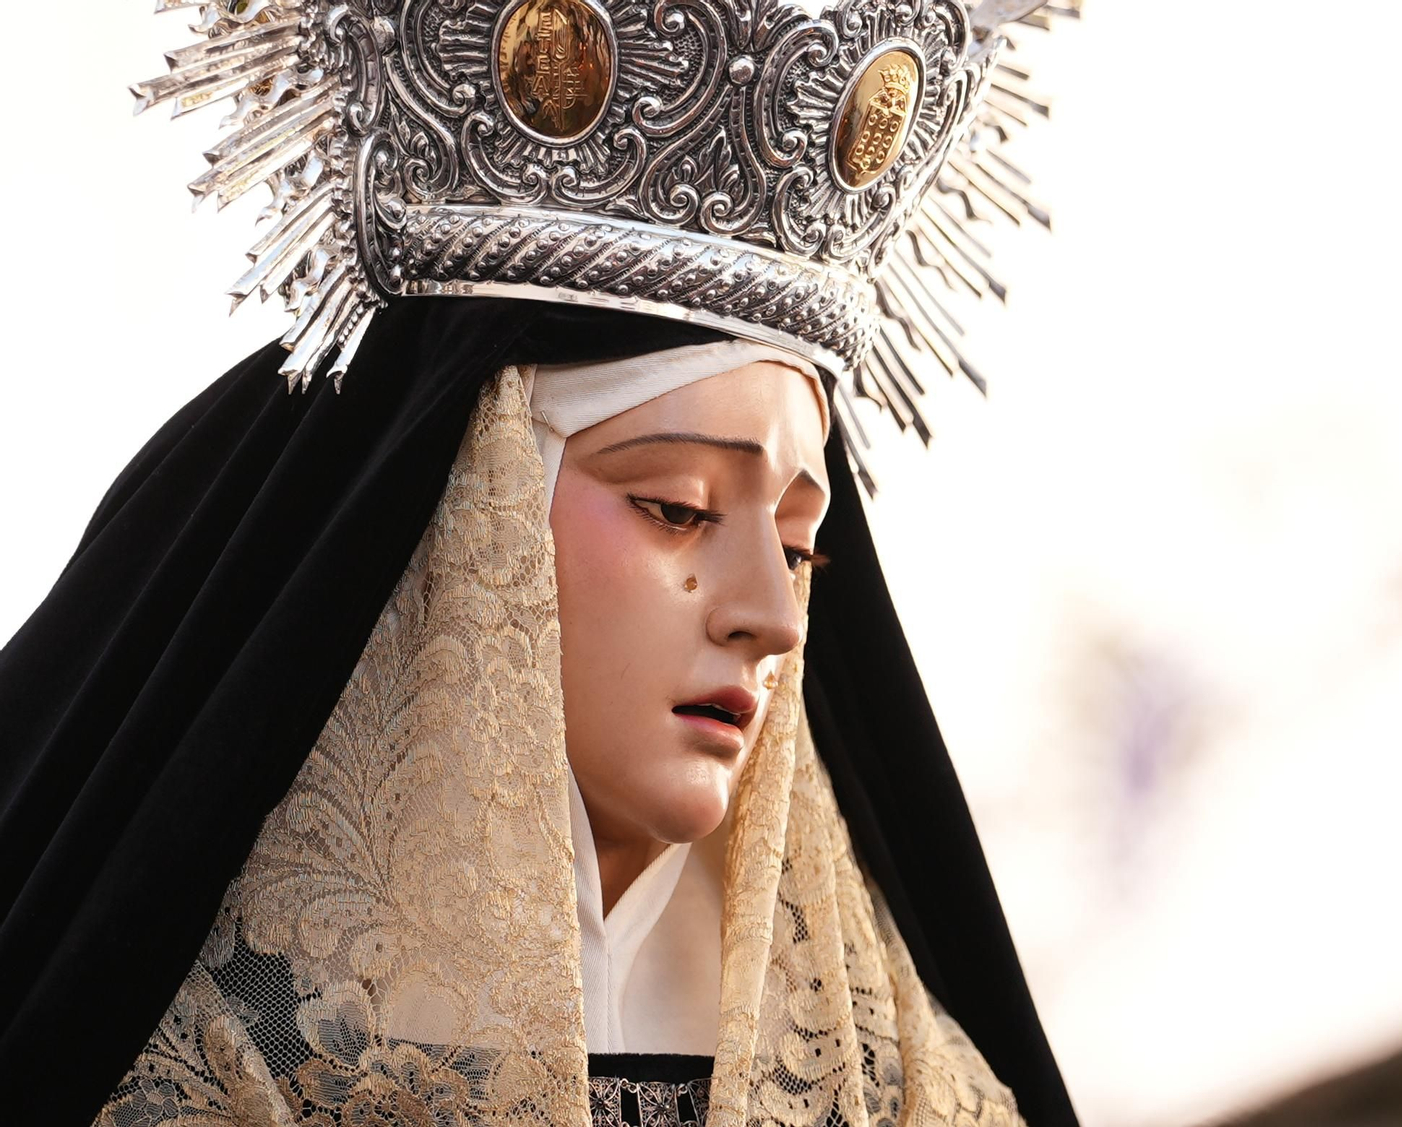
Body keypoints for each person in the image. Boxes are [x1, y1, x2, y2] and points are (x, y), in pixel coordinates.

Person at [0, 0, 1078, 1123]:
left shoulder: (902, 1084)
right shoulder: (212, 1067)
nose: (774, 614)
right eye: (676, 507)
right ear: (471, 515)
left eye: (800, 545)